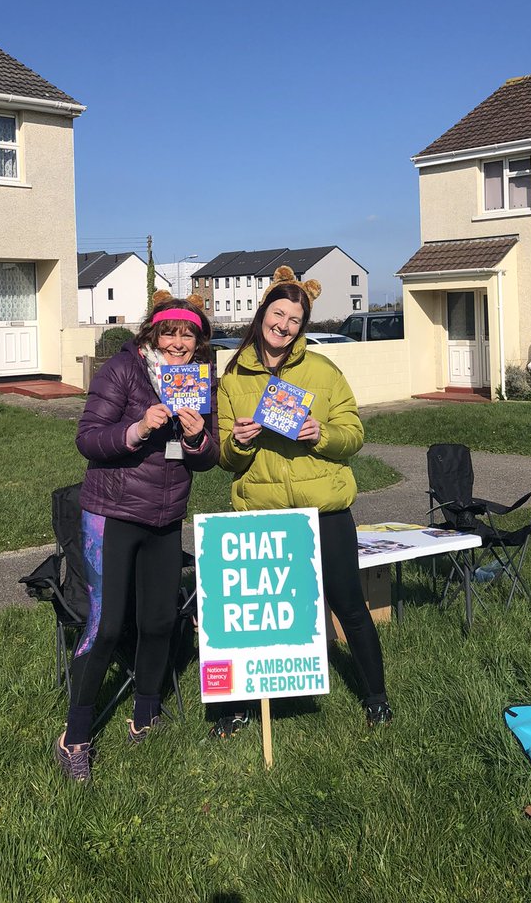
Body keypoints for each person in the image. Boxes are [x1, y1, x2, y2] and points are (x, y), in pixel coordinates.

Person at [215, 266, 392, 736]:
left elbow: (354, 435)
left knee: (350, 606)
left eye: (295, 320)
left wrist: (321, 434)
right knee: (255, 619)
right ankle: (239, 709)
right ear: (262, 314)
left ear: (302, 326)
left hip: (325, 510)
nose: (284, 326)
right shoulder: (233, 375)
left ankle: (377, 699)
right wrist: (241, 441)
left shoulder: (324, 371)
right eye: (278, 313)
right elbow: (224, 457)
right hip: (263, 512)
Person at [55, 292, 219, 782]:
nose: (177, 342)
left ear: (198, 342)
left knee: (158, 621)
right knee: (105, 626)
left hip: (166, 517)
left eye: (187, 335)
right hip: (113, 513)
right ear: (152, 333)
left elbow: (206, 458)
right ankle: (75, 737)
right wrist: (137, 428)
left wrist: (195, 439)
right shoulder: (123, 371)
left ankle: (144, 717)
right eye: (169, 332)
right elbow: (87, 438)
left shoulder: (197, 382)